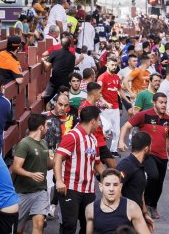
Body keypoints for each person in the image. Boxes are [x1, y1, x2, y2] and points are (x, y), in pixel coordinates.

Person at [54, 106, 106, 234]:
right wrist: (59, 181)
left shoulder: (93, 139)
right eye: (98, 121)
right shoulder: (72, 136)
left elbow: (97, 164)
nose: (99, 124)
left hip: (88, 190)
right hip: (71, 188)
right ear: (93, 121)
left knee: (89, 224)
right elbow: (58, 158)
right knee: (70, 225)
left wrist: (110, 177)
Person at [12, 114, 51, 234]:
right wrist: (31, 174)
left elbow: (49, 165)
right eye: (46, 126)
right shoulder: (24, 144)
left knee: (39, 224)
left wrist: (61, 157)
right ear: (41, 128)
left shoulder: (44, 143)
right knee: (17, 230)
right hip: (22, 193)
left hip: (40, 191)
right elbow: (15, 168)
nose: (47, 128)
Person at [84, 169, 152, 234]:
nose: (111, 189)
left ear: (120, 187)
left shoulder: (131, 208)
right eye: (107, 185)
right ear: (101, 187)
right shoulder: (90, 209)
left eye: (115, 185)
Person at [116, 132, 152, 223]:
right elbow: (115, 188)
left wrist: (145, 214)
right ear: (146, 148)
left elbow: (140, 193)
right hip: (126, 218)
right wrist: (124, 211)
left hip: (138, 216)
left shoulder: (139, 165)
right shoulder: (127, 165)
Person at [79, 82, 116, 169]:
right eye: (100, 92)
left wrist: (102, 133)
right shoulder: (84, 108)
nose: (101, 94)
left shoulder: (94, 105)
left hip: (100, 141)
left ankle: (104, 181)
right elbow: (83, 126)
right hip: (92, 143)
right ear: (93, 93)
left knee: (112, 166)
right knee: (96, 168)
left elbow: (96, 123)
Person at [98, 57, 126, 157]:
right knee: (107, 127)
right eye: (112, 65)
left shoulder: (117, 78)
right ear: (107, 65)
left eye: (115, 65)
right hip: (105, 109)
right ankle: (100, 148)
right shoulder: (102, 77)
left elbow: (120, 91)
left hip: (115, 108)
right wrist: (105, 103)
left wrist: (127, 100)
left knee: (117, 131)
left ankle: (113, 150)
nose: (114, 67)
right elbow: (98, 93)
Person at [42, 36, 76, 104]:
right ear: (69, 45)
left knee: (46, 99)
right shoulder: (72, 56)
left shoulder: (55, 52)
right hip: (66, 83)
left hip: (54, 81)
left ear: (61, 44)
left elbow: (46, 68)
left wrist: (44, 61)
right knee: (64, 101)